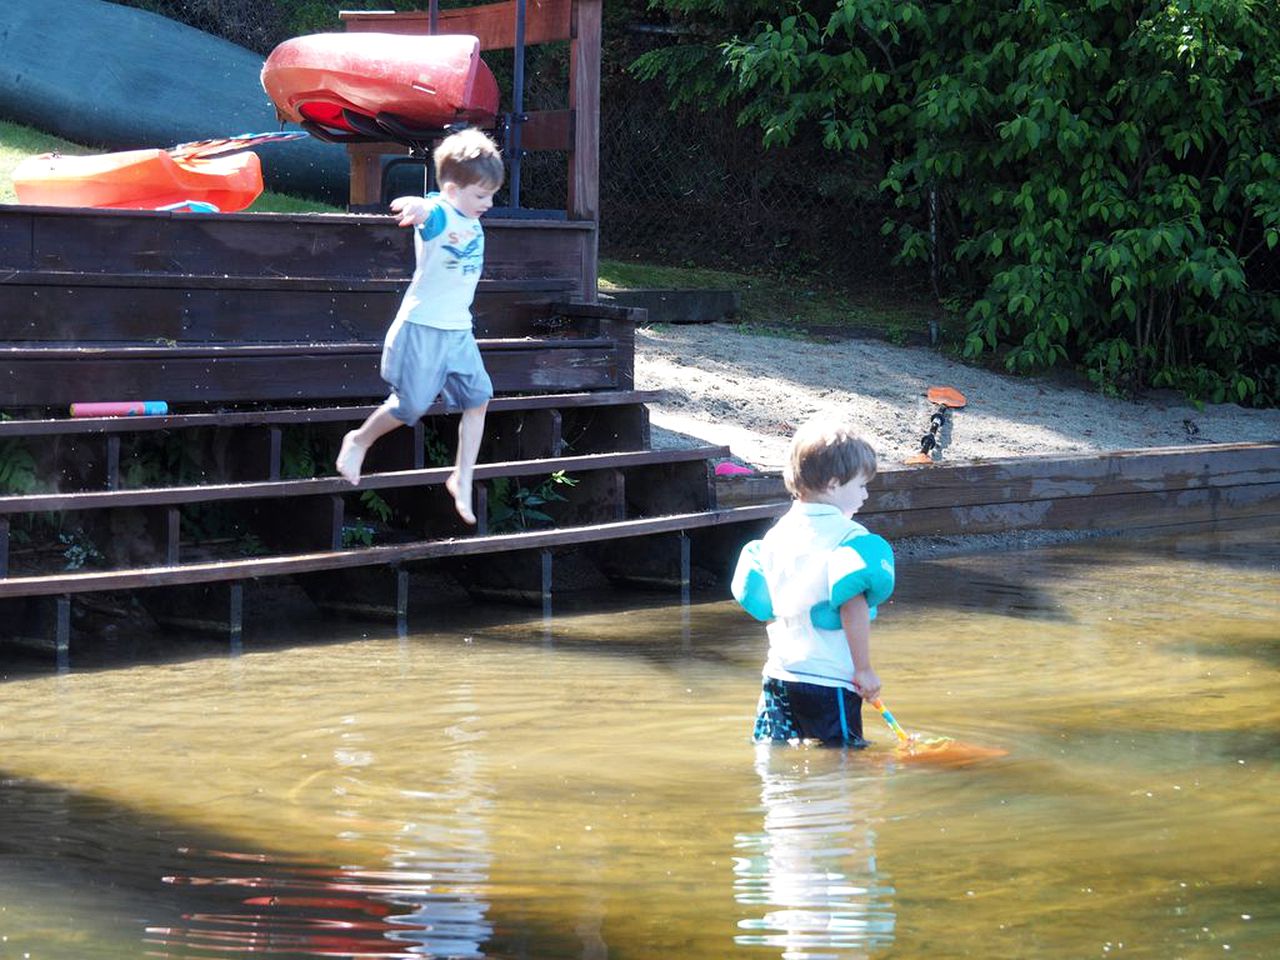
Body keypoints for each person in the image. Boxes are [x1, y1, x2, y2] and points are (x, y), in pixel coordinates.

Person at [336, 128, 503, 525]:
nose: (489, 203)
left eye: (491, 195)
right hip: (422, 329)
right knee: (410, 406)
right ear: (451, 188)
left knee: (479, 399)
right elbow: (427, 209)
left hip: (458, 332)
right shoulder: (441, 212)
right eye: (481, 195)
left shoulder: (469, 213)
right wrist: (416, 204)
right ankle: (358, 440)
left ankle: (462, 476)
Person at [731, 418, 895, 746]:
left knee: (774, 756)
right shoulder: (849, 537)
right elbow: (852, 607)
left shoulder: (776, 535)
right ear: (834, 484)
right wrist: (863, 670)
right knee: (843, 761)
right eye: (861, 485)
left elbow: (766, 605)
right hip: (830, 678)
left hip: (779, 675)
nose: (865, 495)